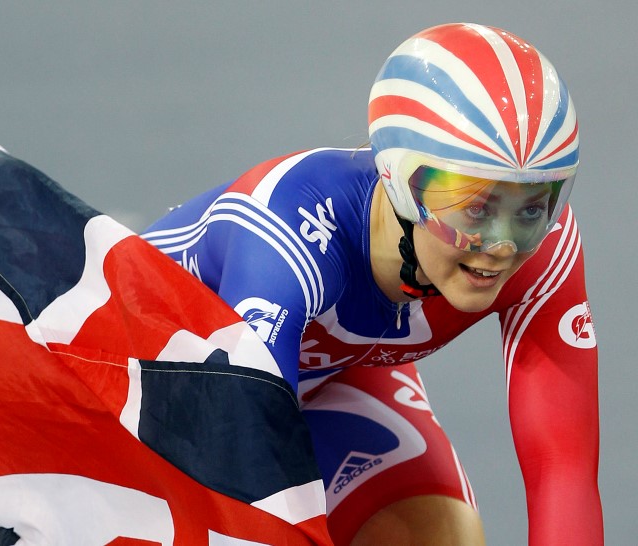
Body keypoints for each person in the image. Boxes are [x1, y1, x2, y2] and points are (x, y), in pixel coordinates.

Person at [141, 22, 602, 545]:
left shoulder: (546, 250)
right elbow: (241, 473)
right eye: (475, 207)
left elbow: (562, 473)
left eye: (531, 207)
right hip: (136, 389)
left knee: (439, 536)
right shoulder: (288, 232)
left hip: (325, 380)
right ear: (400, 182)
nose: (500, 245)